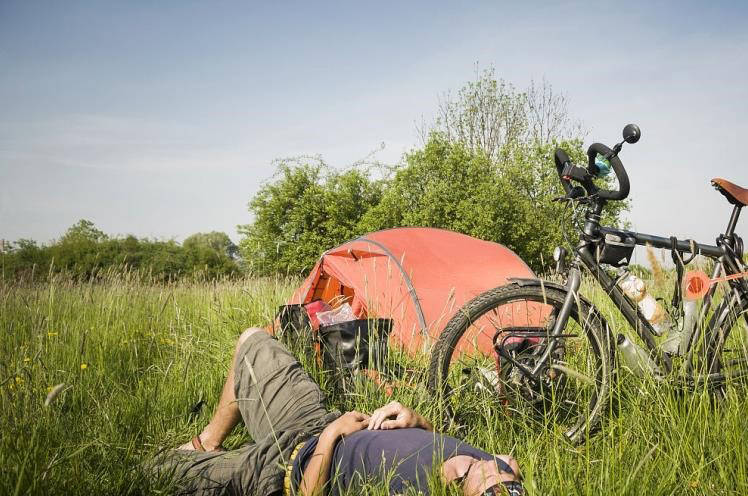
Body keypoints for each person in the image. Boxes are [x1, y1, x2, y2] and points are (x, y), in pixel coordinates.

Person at [152, 327, 524, 496]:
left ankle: (203, 462)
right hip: (314, 421)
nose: (494, 468)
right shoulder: (494, 466)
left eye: (488, 486)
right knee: (253, 341)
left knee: (154, 473)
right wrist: (417, 421)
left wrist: (331, 438)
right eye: (508, 483)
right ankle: (207, 442)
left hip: (282, 466)